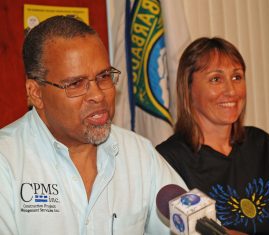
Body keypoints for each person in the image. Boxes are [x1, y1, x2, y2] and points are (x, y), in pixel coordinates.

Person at [0, 16, 187, 235]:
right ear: (36, 93)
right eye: (76, 84)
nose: (98, 95)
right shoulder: (7, 160)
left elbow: (190, 226)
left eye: (104, 76)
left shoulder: (138, 153)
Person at [156, 37, 269, 235]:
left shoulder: (261, 143)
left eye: (237, 77)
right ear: (188, 89)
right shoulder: (168, 159)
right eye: (216, 79)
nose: (231, 90)